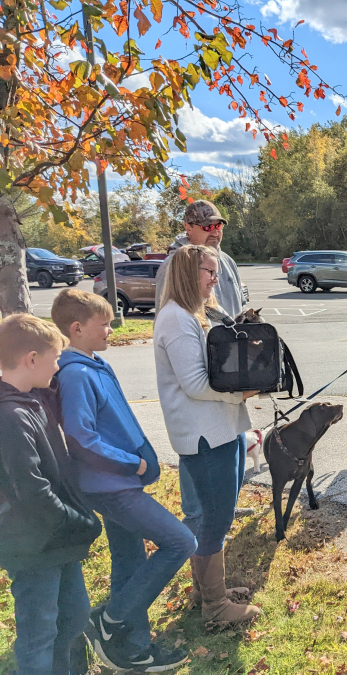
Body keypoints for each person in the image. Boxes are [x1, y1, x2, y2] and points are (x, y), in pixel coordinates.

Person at [51, 289, 196, 672]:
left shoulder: (94, 363)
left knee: (129, 561)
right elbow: (81, 438)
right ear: (77, 328)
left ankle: (132, 648)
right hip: (110, 487)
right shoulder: (77, 374)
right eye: (105, 325)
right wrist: (132, 464)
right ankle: (110, 619)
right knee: (181, 540)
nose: (112, 330)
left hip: (118, 484)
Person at [153, 244, 261, 625]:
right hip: (204, 434)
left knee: (217, 516)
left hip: (221, 427)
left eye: (216, 272)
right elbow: (196, 384)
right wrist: (241, 391)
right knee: (214, 519)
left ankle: (206, 591)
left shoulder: (193, 315)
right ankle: (215, 608)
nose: (216, 279)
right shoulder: (176, 319)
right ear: (186, 273)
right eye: (209, 272)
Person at [0, 314, 102, 675]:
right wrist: (81, 523)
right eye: (55, 357)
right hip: (32, 544)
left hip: (57, 539)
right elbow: (32, 491)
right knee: (39, 632)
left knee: (73, 616)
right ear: (30, 359)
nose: (59, 366)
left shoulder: (32, 398)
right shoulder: (10, 416)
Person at [155, 199, 255, 538]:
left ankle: (222, 507)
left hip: (226, 383)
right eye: (207, 225)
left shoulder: (225, 262)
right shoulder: (175, 266)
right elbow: (177, 331)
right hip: (203, 396)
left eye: (219, 225)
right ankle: (199, 515)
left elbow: (234, 311)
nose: (216, 231)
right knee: (202, 471)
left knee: (228, 459)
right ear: (189, 227)